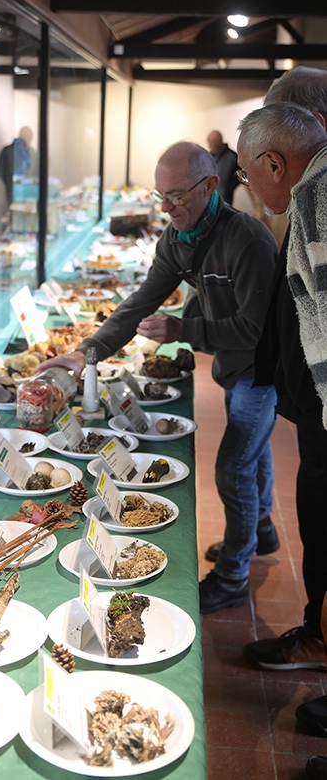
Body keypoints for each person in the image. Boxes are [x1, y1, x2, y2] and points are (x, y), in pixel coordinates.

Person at [38, 140, 279, 613]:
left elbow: (254, 331)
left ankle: (233, 574)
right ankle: (259, 531)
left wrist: (183, 329)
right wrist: (90, 351)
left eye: (177, 196)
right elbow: (141, 302)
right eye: (160, 196)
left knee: (234, 467)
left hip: (263, 368)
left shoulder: (246, 240)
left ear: (211, 186)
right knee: (253, 448)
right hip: (233, 366)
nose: (167, 208)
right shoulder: (176, 239)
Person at [236, 93, 327, 681]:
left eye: (247, 174)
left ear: (274, 164)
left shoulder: (318, 200)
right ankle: (318, 637)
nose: (247, 187)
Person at [206, 129, 239, 204]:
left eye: (211, 143)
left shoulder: (232, 157)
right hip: (210, 200)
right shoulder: (209, 157)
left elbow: (238, 177)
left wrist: (229, 189)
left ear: (218, 143)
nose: (209, 146)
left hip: (225, 200)